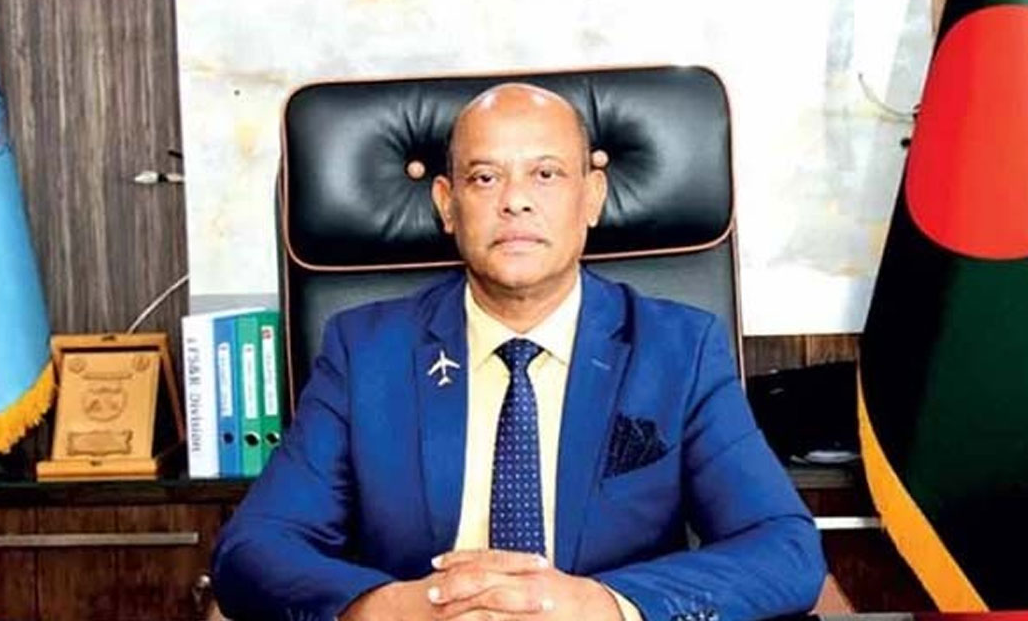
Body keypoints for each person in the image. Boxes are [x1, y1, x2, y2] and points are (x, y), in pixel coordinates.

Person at [212, 83, 825, 621]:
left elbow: (784, 548)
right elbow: (253, 549)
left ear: (592, 196)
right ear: (446, 204)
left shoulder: (678, 350)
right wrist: (385, 607)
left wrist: (604, 605)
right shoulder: (365, 352)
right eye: (485, 177)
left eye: (546, 174)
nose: (515, 200)